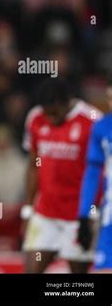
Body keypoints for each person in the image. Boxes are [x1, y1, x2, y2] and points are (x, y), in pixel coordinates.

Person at [22, 78, 101, 273]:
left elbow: (101, 171)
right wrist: (28, 210)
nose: (50, 119)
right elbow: (33, 165)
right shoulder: (35, 118)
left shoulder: (92, 120)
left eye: (55, 113)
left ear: (66, 102)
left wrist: (91, 214)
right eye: (46, 114)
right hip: (45, 213)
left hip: (78, 216)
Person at [77, 78, 112, 273]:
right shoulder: (102, 128)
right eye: (109, 98)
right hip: (110, 217)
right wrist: (83, 216)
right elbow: (92, 173)